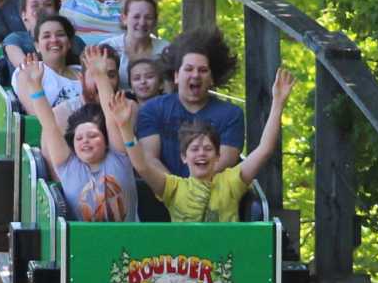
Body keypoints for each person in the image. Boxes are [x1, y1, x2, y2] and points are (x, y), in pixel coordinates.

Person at [109, 68, 292, 223]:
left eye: (208, 149)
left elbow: (264, 150)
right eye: (194, 149)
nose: (201, 154)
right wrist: (125, 127)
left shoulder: (231, 182)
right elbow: (141, 165)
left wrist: (278, 104)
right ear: (184, 157)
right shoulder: (173, 188)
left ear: (218, 156)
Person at [13, 55, 135, 222]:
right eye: (79, 138)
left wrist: (100, 76)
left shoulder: (119, 157)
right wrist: (35, 86)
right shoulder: (68, 166)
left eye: (92, 136)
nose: (85, 141)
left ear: (106, 141)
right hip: (84, 241)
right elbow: (50, 125)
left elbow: (110, 117)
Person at [136, 26, 244, 176]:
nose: (195, 75)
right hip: (163, 193)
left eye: (203, 70)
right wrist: (176, 192)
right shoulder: (152, 110)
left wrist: (192, 192)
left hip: (214, 194)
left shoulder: (232, 115)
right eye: (188, 69)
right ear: (176, 76)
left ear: (212, 78)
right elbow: (149, 158)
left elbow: (225, 162)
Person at [14, 15, 86, 123]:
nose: (54, 40)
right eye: (46, 36)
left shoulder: (84, 72)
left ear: (70, 42)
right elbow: (35, 118)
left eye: (60, 35)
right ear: (37, 45)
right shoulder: (28, 71)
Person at [117, 0, 165, 73]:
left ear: (155, 21)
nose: (142, 23)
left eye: (148, 17)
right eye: (136, 17)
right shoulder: (110, 48)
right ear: (124, 19)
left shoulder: (164, 50)